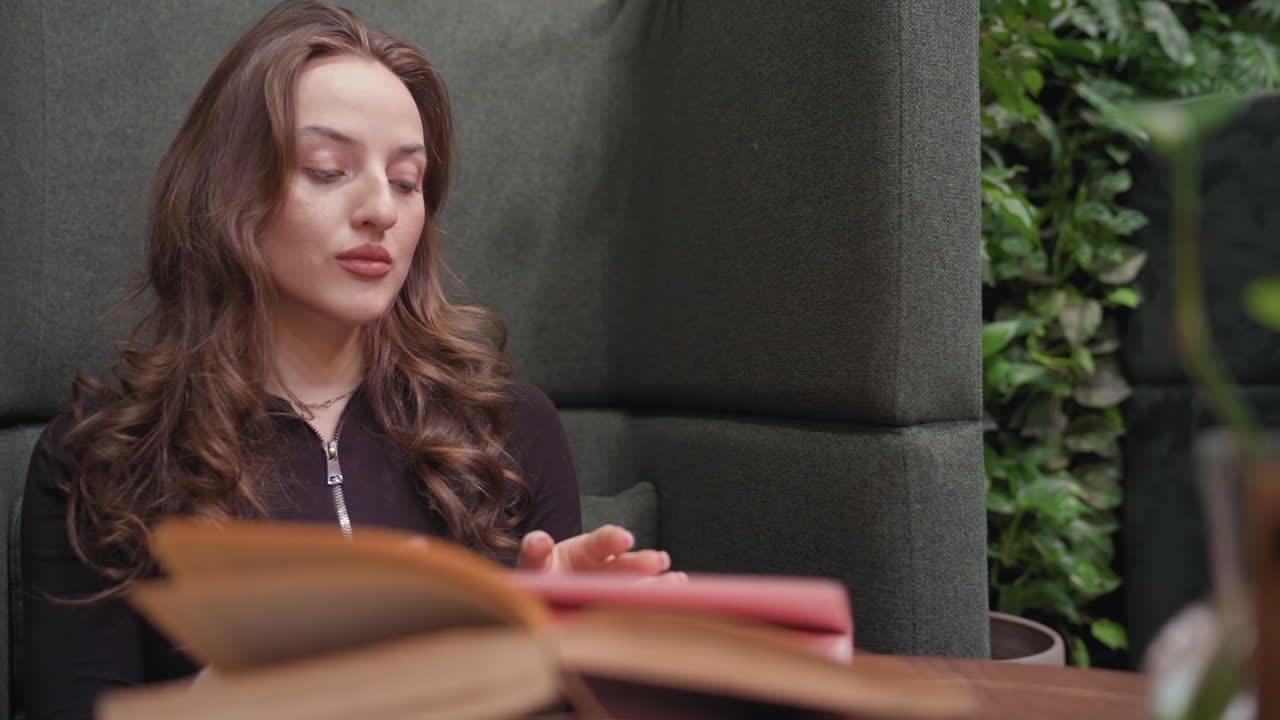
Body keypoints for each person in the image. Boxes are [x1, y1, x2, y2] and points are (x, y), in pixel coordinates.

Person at [20, 3, 668, 718]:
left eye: (406, 180)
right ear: (228, 191)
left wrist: (577, 672)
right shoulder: (103, 459)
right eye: (328, 170)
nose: (380, 210)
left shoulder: (507, 430)